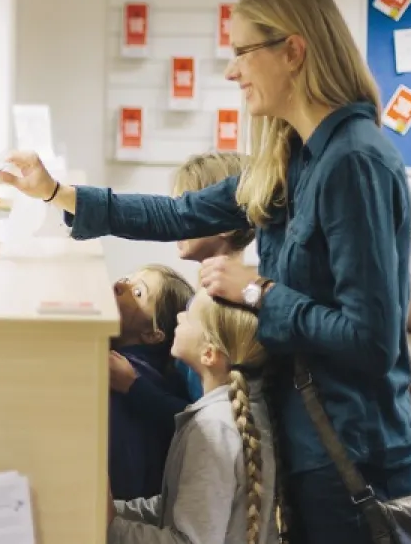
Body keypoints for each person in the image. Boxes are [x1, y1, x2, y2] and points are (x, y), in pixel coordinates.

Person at [0, 0, 411, 544]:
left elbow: (369, 336)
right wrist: (58, 193)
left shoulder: (355, 162)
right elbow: (177, 214)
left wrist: (257, 291)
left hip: (351, 454)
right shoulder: (291, 160)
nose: (232, 71)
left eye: (243, 52)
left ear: (293, 51)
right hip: (306, 444)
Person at [106, 289, 279, 544]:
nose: (179, 317)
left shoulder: (213, 428)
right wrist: (112, 511)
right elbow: (176, 506)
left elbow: (187, 541)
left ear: (208, 353)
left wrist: (113, 528)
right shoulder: (231, 414)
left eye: (188, 315)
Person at [110, 152, 255, 408]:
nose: (175, 219)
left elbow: (207, 418)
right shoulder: (202, 296)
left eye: (187, 209)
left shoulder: (229, 309)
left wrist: (135, 388)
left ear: (226, 225)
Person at [106, 265, 194, 501]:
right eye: (126, 278)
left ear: (153, 333)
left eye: (138, 293)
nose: (119, 286)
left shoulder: (126, 372)